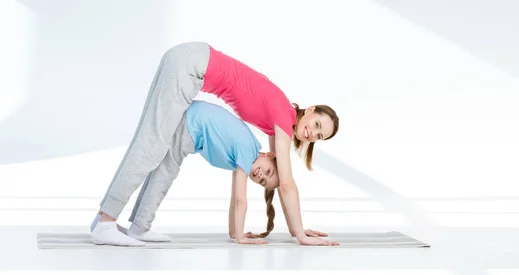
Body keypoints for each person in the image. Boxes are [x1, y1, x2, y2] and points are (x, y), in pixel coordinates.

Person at [93, 42, 339, 246]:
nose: (312, 134)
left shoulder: (277, 125)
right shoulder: (284, 118)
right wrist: (302, 236)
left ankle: (138, 226)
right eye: (317, 125)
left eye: (319, 137)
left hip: (190, 61)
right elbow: (287, 183)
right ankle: (106, 221)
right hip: (192, 66)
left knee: (161, 153)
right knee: (151, 145)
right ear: (310, 110)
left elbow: (279, 179)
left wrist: (297, 231)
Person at [92, 100, 302, 246]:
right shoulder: (248, 151)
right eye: (267, 170)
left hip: (191, 121)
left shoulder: (245, 152)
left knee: (161, 170)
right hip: (190, 124)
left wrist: (233, 232)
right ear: (269, 154)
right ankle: (135, 225)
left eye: (263, 181)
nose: (261, 176)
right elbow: (240, 200)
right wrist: (240, 237)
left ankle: (136, 224)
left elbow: (233, 198)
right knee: (164, 172)